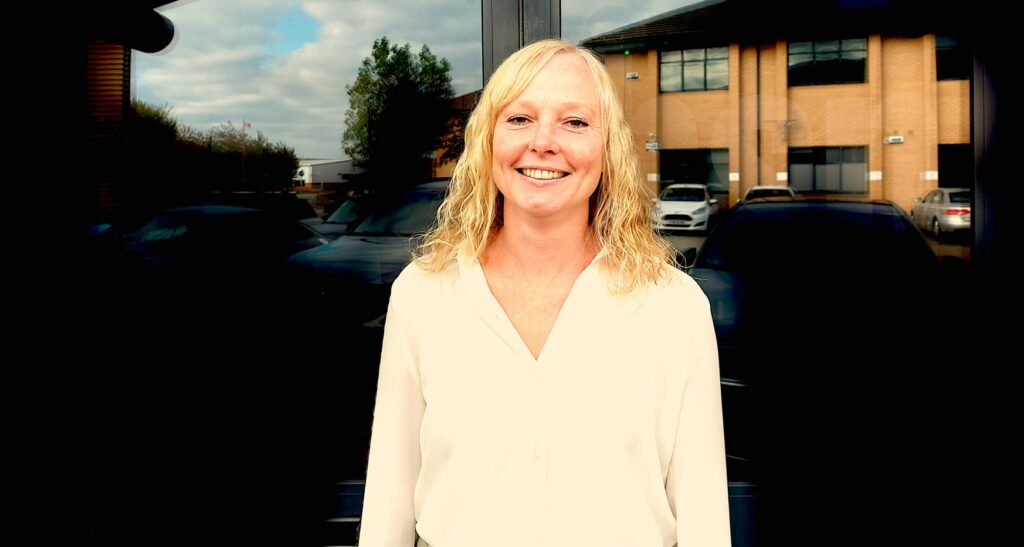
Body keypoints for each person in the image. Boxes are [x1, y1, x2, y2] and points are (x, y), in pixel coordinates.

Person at [359, 39, 730, 547]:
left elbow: (704, 510)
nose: (543, 142)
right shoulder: (423, 294)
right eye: (519, 119)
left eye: (575, 122)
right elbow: (389, 494)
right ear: (488, 139)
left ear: (608, 147)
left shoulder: (673, 306)